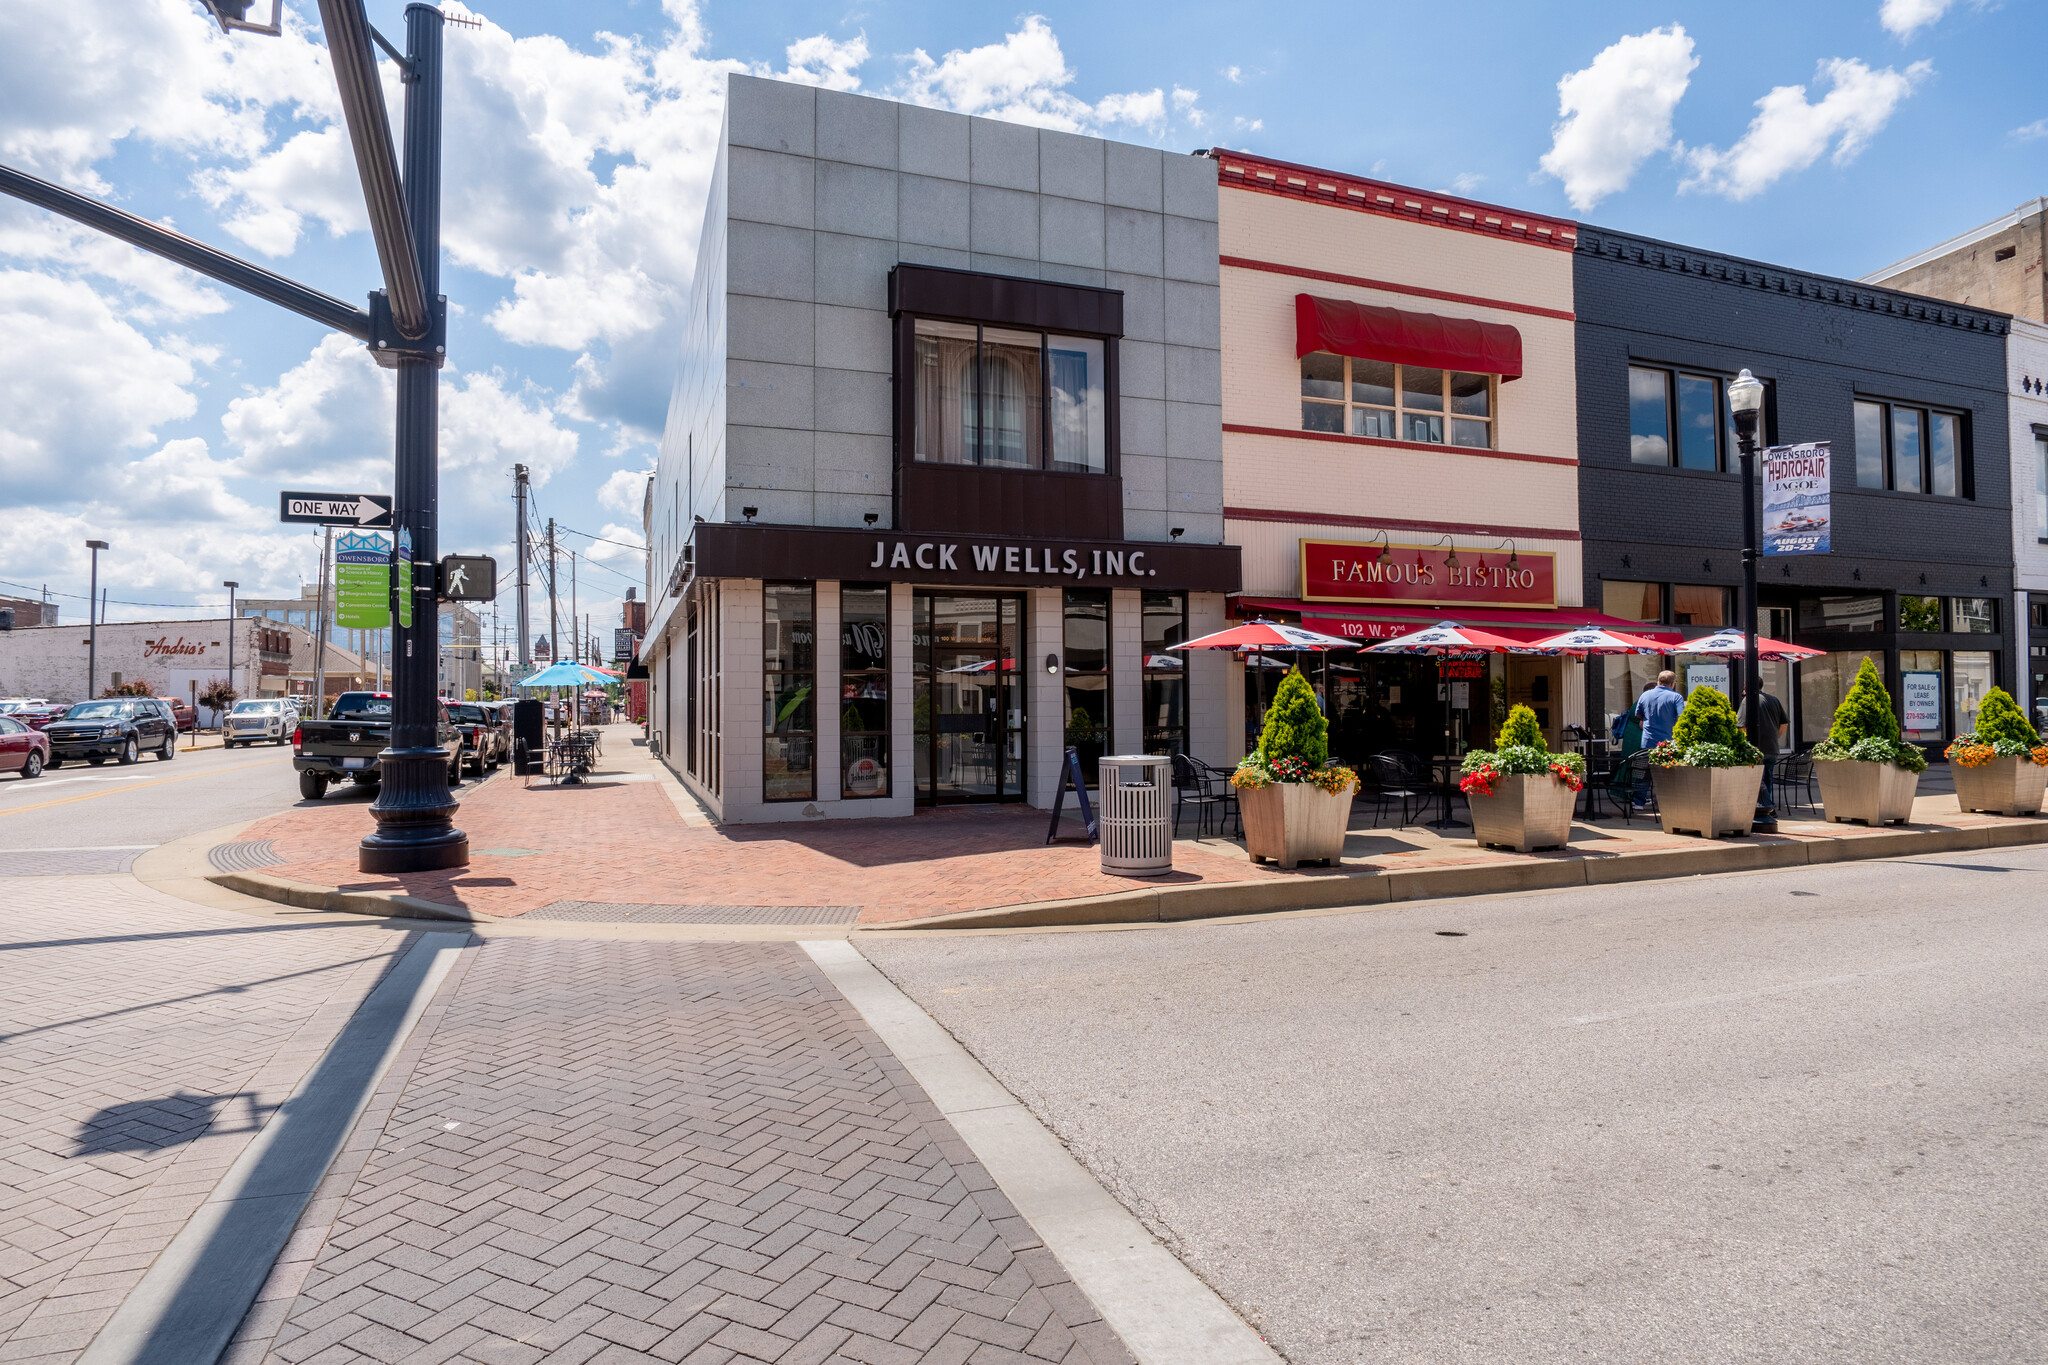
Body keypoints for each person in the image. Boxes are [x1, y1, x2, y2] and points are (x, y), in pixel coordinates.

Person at [1630, 672, 1685, 808]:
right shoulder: (1676, 697)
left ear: (1658, 681)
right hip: (1668, 742)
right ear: (1673, 683)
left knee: (1643, 772)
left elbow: (1638, 715)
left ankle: (1638, 802)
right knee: (1668, 774)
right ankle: (1668, 802)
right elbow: (1682, 717)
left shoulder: (1645, 695)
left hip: (1648, 741)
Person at [1737, 688, 1790, 804]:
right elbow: (1784, 723)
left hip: (1757, 750)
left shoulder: (1748, 701)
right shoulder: (1774, 700)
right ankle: (1768, 804)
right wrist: (1776, 737)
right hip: (1772, 748)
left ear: (1747, 686)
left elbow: (1741, 726)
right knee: (1767, 779)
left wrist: (1744, 744)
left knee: (1758, 780)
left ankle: (1764, 805)